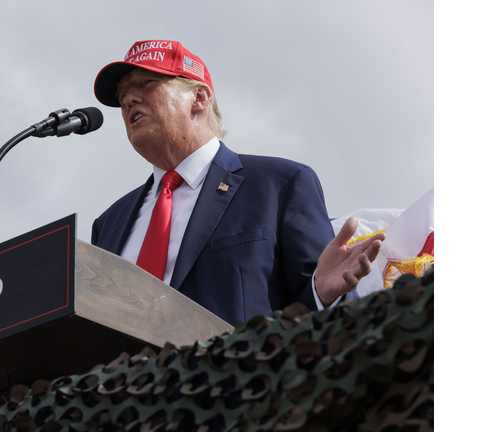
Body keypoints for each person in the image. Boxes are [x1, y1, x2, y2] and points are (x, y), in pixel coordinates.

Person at [90, 40, 384, 325]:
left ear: (200, 98)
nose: (129, 99)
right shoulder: (108, 224)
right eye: (122, 96)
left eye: (147, 84)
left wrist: (322, 295)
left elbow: (323, 321)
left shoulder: (280, 185)